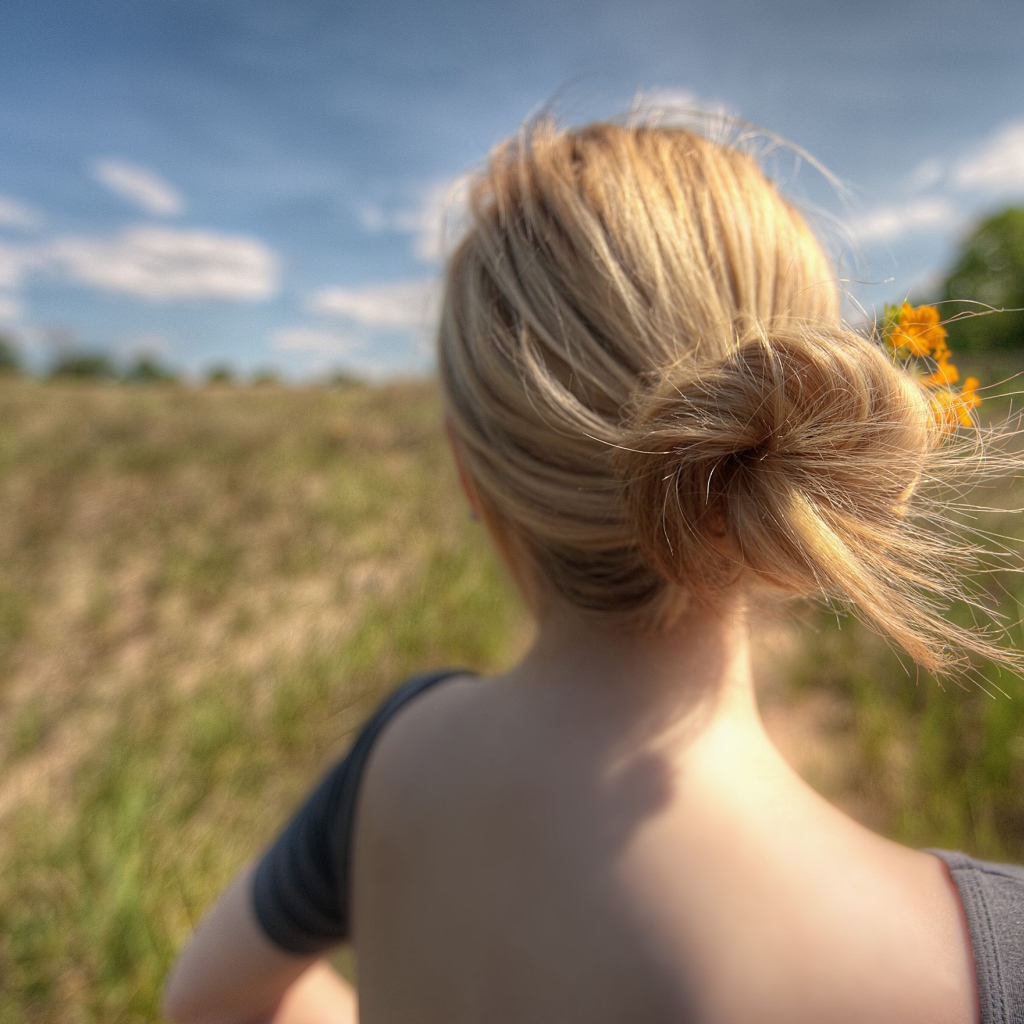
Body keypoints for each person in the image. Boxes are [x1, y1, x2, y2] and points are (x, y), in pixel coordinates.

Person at [162, 116, 1024, 1024]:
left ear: (472, 472)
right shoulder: (986, 962)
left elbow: (210, 999)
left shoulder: (389, 764)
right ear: (801, 456)